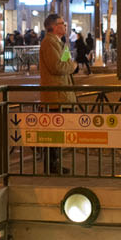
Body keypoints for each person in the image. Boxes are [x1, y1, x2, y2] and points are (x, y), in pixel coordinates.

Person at [38, 13, 77, 175]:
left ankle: (55, 164)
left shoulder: (60, 42)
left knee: (58, 132)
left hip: (62, 92)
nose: (65, 26)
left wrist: (70, 64)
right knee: (54, 132)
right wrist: (73, 66)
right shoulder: (48, 43)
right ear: (53, 26)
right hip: (55, 94)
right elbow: (58, 67)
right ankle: (52, 166)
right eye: (62, 23)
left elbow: (66, 62)